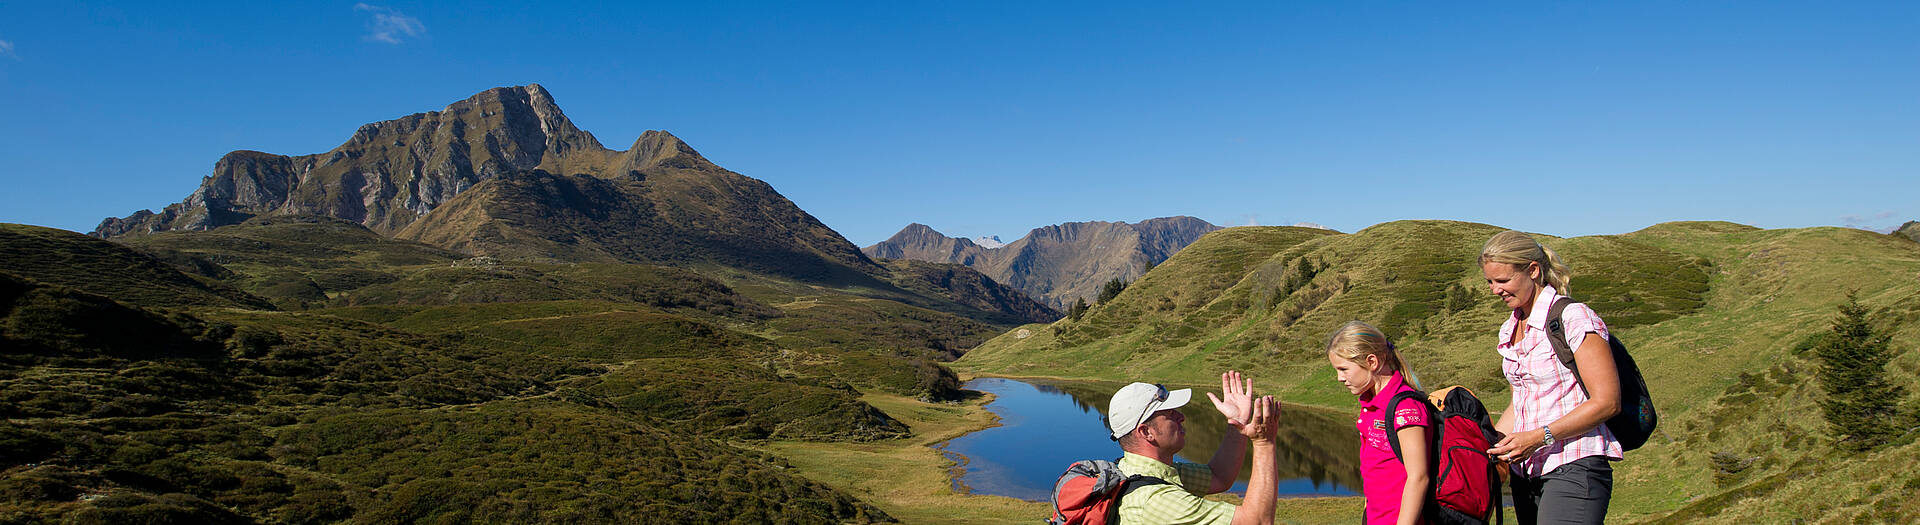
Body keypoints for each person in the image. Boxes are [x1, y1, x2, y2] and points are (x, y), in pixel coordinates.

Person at [1479, 230, 1623, 525]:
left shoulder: (1574, 318)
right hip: (1527, 471)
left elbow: (1607, 402)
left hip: (1574, 463)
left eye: (1503, 281)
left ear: (1532, 270)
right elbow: (1521, 400)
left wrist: (1538, 437)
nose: (1495, 290)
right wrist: (1486, 446)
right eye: (1490, 282)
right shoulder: (1511, 327)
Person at [1104, 371, 1282, 525]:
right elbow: (1256, 522)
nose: (1181, 417)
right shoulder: (1155, 501)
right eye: (1170, 414)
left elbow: (1219, 476)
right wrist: (1264, 443)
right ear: (1146, 432)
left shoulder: (1140, 471)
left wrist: (1237, 423)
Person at [1326, 321, 1430, 525]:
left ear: (1372, 362)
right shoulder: (1370, 404)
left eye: (1344, 369)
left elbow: (1418, 477)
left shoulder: (1405, 407)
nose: (1339, 378)